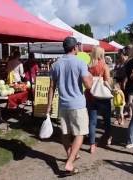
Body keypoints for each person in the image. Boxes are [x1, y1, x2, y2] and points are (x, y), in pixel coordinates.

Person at [46, 37, 93, 175]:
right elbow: (88, 85)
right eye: (77, 46)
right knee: (80, 133)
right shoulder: (80, 62)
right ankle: (70, 162)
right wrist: (90, 77)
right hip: (77, 104)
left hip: (63, 104)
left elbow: (51, 87)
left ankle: (70, 156)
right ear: (75, 48)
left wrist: (48, 107)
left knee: (65, 133)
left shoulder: (55, 64)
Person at [85, 46, 112, 154]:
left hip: (91, 95)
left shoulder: (89, 66)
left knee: (92, 122)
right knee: (107, 120)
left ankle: (92, 145)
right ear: (102, 54)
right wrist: (112, 89)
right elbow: (106, 81)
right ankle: (107, 139)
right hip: (102, 96)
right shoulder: (104, 66)